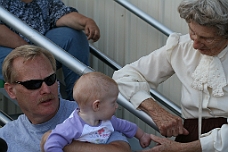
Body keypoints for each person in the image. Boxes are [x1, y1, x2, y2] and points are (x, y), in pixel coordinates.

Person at [113, 0, 228, 151]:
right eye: (192, 32)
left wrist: (182, 149)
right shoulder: (181, 46)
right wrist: (155, 110)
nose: (195, 44)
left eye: (206, 38)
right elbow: (124, 76)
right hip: (188, 136)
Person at [0, 45, 131, 152]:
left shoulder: (88, 113)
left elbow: (121, 150)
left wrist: (64, 145)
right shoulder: (6, 137)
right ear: (11, 91)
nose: (46, 90)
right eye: (33, 84)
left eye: (50, 79)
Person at [0, 0, 100, 100]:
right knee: (25, 61)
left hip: (39, 46)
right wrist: (31, 52)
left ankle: (80, 101)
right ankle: (49, 109)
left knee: (73, 36)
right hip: (9, 49)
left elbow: (60, 14)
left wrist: (87, 22)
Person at [43, 72, 152, 152]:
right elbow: (51, 143)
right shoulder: (73, 125)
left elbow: (127, 126)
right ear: (97, 105)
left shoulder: (108, 120)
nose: (116, 106)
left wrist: (142, 136)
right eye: (113, 102)